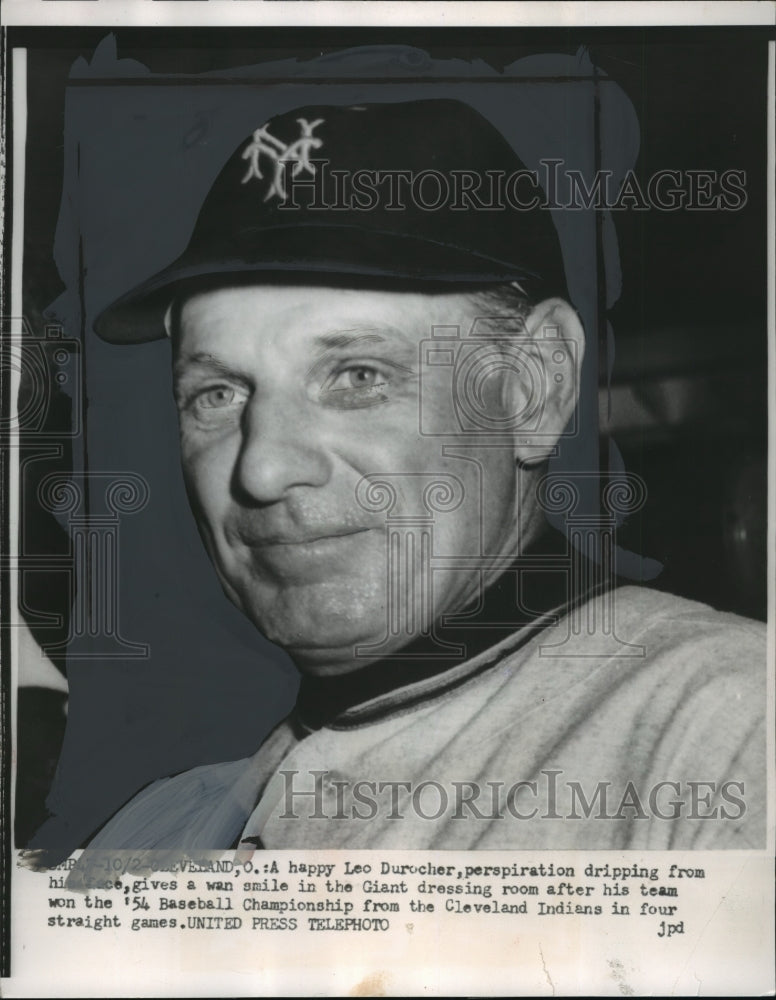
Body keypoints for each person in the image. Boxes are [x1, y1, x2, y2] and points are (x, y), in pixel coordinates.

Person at [81, 99, 764, 852]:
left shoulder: (723, 730)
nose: (263, 467)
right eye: (217, 395)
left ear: (533, 387)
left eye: (358, 376)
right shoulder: (157, 833)